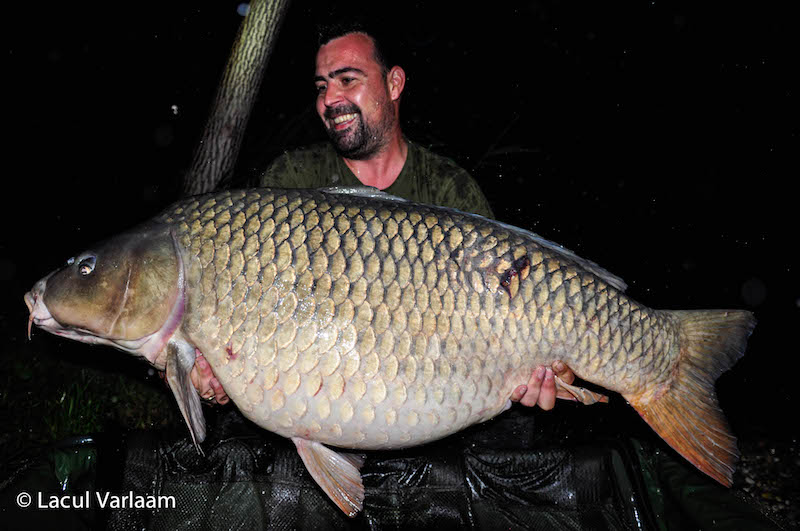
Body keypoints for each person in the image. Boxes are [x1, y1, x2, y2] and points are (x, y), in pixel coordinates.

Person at [189, 24, 577, 411]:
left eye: (347, 80)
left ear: (394, 84)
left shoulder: (449, 190)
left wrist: (542, 371)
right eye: (322, 86)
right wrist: (224, 369)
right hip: (321, 396)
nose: (330, 99)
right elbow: (260, 312)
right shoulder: (292, 181)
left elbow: (507, 308)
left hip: (432, 399)